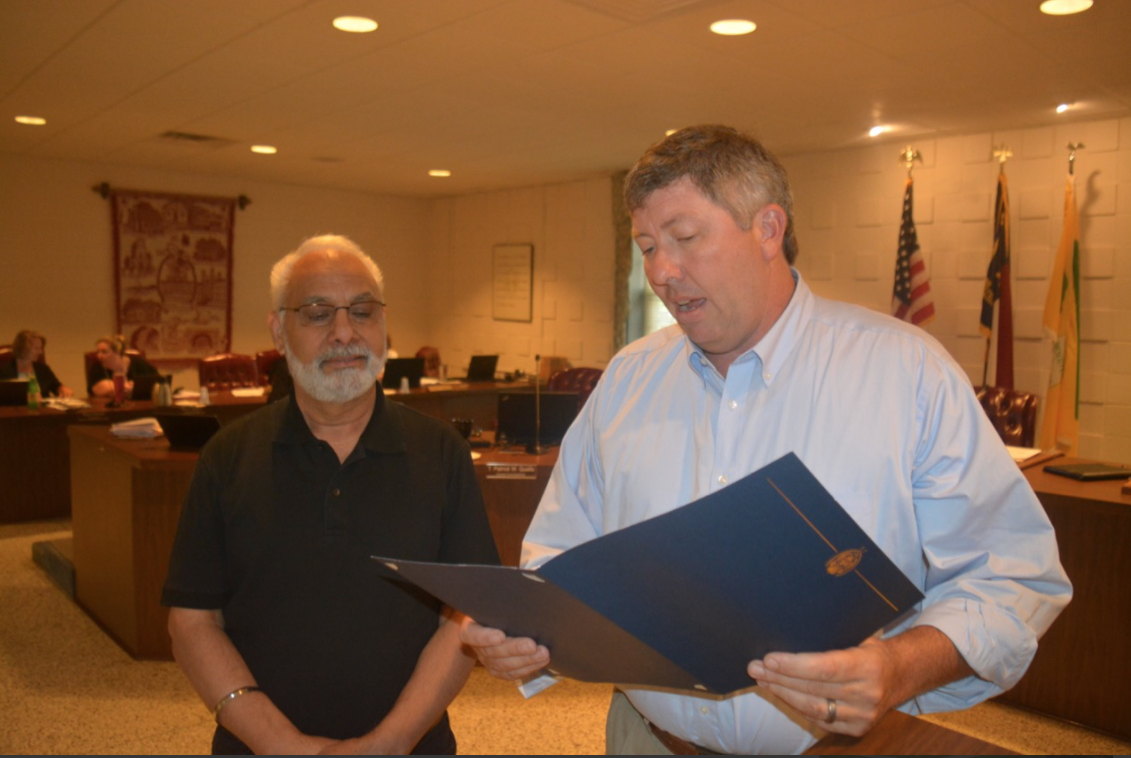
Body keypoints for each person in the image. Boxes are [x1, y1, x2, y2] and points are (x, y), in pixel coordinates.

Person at [461, 126, 1072, 754]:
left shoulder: (906, 373)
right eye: (647, 247)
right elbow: (558, 558)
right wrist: (525, 630)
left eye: (685, 238)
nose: (661, 272)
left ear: (768, 229)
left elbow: (1012, 577)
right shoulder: (627, 378)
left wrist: (898, 668)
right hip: (647, 740)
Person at [161, 234, 499, 755]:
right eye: (318, 314)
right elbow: (192, 621)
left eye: (363, 312)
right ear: (279, 331)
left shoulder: (442, 453)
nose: (345, 333)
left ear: (384, 324)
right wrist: (283, 746)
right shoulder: (226, 457)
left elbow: (463, 615)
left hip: (414, 746)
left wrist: (391, 742)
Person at [1, 330, 73, 398]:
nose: (41, 352)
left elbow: (55, 386)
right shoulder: (3, 371)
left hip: (43, 407)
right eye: (36, 348)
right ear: (23, 349)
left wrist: (62, 388)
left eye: (41, 348)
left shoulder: (43, 369)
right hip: (16, 407)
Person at [87, 335, 159, 398]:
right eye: (98, 352)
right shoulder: (97, 366)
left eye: (104, 352)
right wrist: (127, 386)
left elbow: (156, 382)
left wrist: (119, 387)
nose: (99, 356)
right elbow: (99, 389)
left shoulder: (139, 363)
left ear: (118, 353)